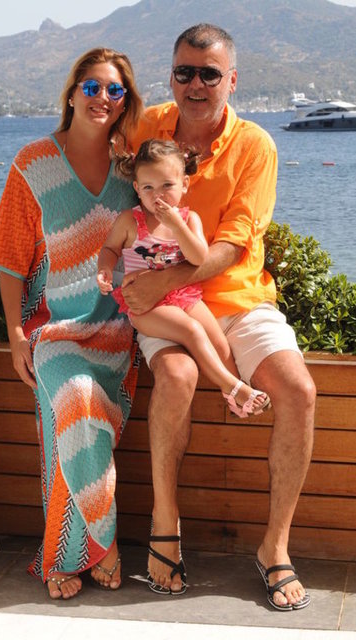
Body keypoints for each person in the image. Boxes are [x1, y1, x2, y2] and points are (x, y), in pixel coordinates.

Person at [122, 24, 316, 609]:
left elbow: (232, 246)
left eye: (210, 73)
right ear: (171, 77)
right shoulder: (146, 127)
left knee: (299, 390)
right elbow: (87, 140)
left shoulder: (255, 145)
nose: (196, 84)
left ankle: (274, 547)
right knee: (176, 376)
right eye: (185, 72)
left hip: (237, 299)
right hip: (167, 308)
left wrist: (163, 279)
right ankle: (165, 522)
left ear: (232, 80)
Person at [0, 47, 144, 600]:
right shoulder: (33, 163)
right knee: (73, 400)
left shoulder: (130, 172)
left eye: (115, 90)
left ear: (125, 102)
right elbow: (9, 259)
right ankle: (103, 542)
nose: (103, 98)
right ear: (73, 92)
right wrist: (15, 335)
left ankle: (64, 553)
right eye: (92, 86)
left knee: (76, 424)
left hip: (116, 333)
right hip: (53, 331)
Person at [97, 138, 271, 422]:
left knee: (219, 342)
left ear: (184, 185)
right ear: (137, 188)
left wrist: (176, 225)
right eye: (148, 188)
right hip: (145, 306)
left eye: (167, 185)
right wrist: (104, 270)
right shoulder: (130, 220)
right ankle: (235, 387)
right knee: (192, 331)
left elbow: (199, 257)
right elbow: (110, 249)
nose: (158, 195)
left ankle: (236, 400)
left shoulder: (189, 220)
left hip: (183, 295)